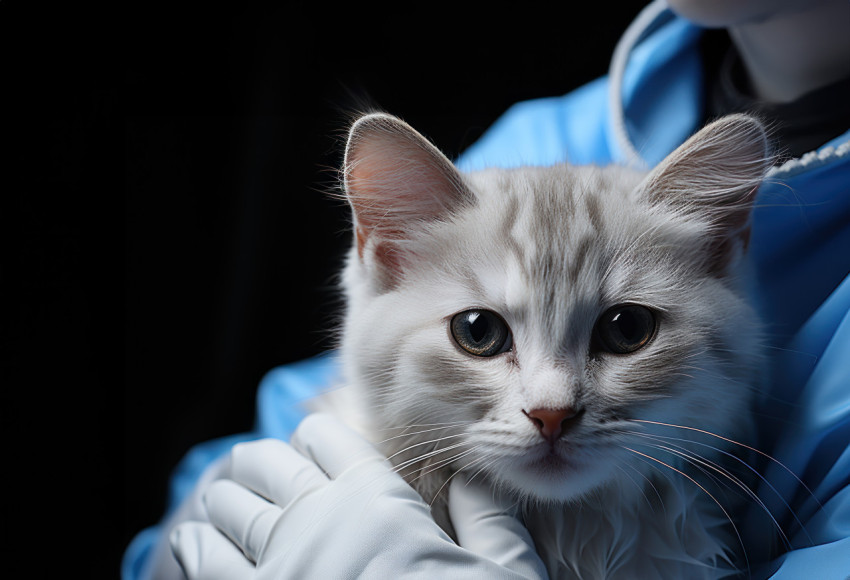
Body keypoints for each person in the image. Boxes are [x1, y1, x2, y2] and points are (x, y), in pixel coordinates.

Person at [123, 0, 850, 577]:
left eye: (625, 331)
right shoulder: (542, 138)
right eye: (482, 331)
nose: (552, 404)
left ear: (728, 243)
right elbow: (267, 430)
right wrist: (182, 549)